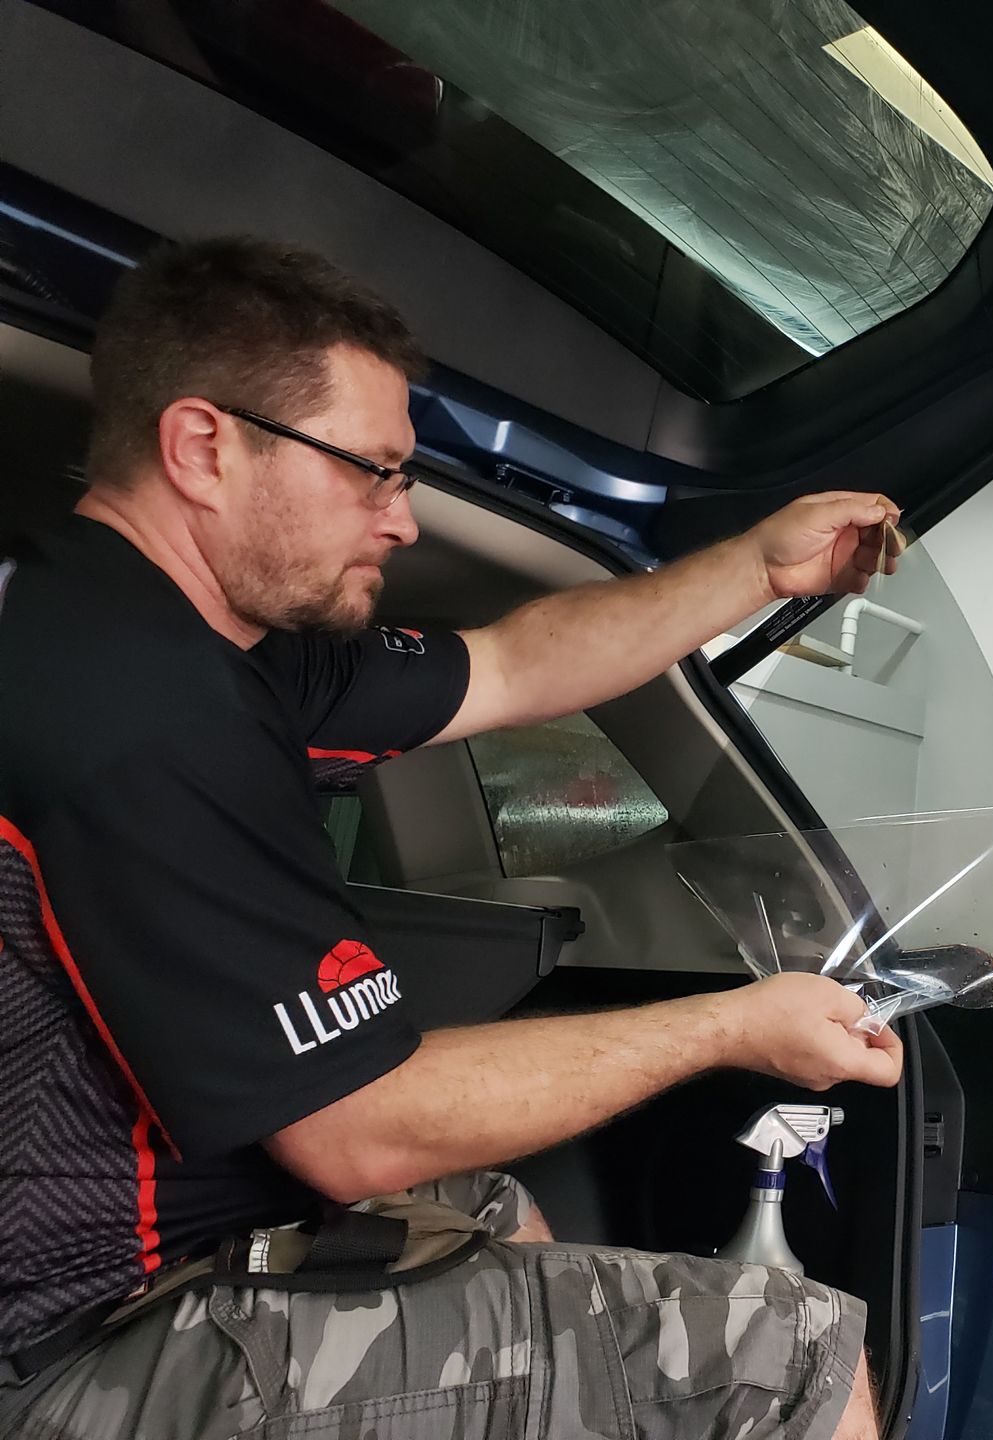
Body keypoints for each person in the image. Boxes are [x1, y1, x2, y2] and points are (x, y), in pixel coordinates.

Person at [0, 236, 907, 1439]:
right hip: (86, 1335)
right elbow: (355, 1130)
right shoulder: (130, 708)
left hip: (185, 1230)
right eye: (373, 472)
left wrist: (755, 565)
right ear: (204, 448)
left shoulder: (205, 640)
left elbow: (521, 661)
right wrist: (734, 1025)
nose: (403, 520)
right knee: (792, 1352)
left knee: (489, 1205)